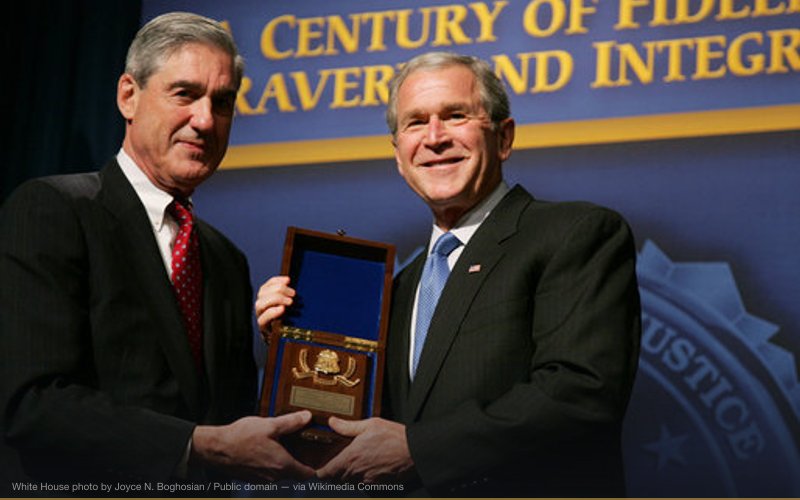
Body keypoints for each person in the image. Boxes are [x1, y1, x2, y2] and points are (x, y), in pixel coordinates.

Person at [256, 51, 641, 496]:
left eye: (455, 116)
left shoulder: (575, 233)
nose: (434, 138)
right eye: (415, 123)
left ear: (504, 137)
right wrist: (290, 346)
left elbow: (581, 391)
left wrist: (421, 450)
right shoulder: (400, 288)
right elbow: (365, 426)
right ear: (399, 154)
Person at [0, 12, 315, 486]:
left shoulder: (226, 259)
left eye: (223, 102)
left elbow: (234, 426)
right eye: (185, 94)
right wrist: (196, 445)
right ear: (129, 95)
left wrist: (287, 355)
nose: (205, 120)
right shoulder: (52, 211)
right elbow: (32, 403)